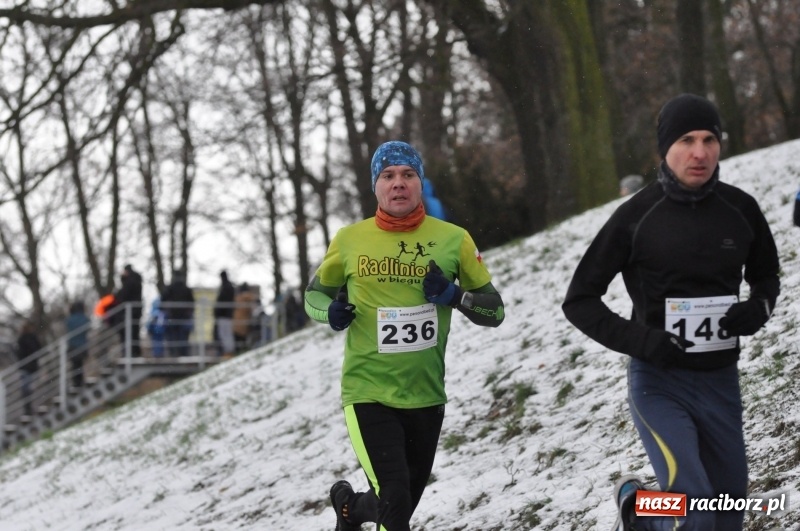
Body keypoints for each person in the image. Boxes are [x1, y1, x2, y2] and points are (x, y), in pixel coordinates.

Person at [561, 94, 780, 531]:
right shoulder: (635, 216)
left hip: (720, 381)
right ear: (665, 148)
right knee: (695, 513)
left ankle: (640, 510)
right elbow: (579, 300)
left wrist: (757, 309)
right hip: (659, 383)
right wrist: (642, 340)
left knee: (726, 515)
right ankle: (640, 507)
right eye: (686, 140)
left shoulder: (741, 210)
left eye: (709, 140)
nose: (700, 153)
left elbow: (766, 278)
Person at [304, 140, 505, 531]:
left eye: (408, 174)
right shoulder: (349, 240)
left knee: (397, 502)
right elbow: (314, 296)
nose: (398, 182)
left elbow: (494, 311)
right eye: (388, 175)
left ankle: (349, 509)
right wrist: (330, 313)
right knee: (394, 499)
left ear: (420, 182)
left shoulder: (454, 239)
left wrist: (454, 295)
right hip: (368, 391)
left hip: (426, 394)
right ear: (376, 186)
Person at [161, 270, 195, 356]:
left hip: (172, 317)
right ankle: (183, 354)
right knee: (183, 338)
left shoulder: (169, 288)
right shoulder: (186, 289)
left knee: (172, 337)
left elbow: (162, 301)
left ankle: (174, 354)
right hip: (184, 318)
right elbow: (192, 303)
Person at [113, 264, 143, 357]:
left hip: (129, 312)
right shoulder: (137, 280)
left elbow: (123, 295)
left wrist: (123, 280)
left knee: (128, 333)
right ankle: (135, 353)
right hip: (136, 311)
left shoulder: (130, 282)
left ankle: (130, 353)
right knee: (134, 333)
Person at [16, 320, 42, 416]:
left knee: (26, 388)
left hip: (26, 367)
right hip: (30, 367)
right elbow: (37, 349)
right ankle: (29, 408)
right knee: (29, 388)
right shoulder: (30, 338)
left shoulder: (22, 339)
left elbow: (20, 353)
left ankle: (28, 408)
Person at [65, 301, 91, 387]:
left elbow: (67, 326)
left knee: (75, 365)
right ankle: (79, 382)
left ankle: (76, 383)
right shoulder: (84, 318)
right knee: (79, 365)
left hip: (72, 346)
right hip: (82, 345)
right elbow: (88, 326)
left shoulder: (70, 319)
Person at [214, 270, 236, 357]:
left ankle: (228, 352)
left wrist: (218, 311)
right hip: (225, 315)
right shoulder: (228, 287)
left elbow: (222, 301)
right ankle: (227, 352)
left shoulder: (226, 287)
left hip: (224, 315)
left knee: (225, 334)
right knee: (225, 334)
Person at [233, 283, 258, 350]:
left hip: (236, 323)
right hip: (244, 323)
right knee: (243, 342)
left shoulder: (237, 297)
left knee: (237, 342)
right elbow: (253, 307)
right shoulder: (249, 297)